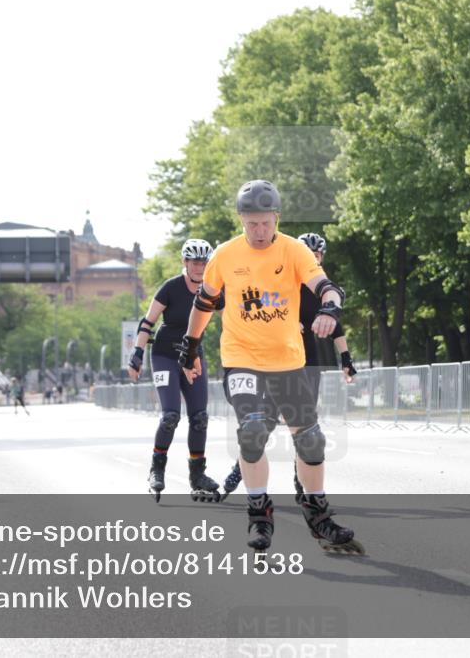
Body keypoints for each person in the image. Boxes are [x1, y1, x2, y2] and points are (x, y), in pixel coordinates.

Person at [179, 179, 363, 554]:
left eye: (265, 223)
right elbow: (205, 302)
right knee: (252, 432)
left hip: (288, 363)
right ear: (241, 220)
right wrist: (191, 347)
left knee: (311, 440)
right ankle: (260, 516)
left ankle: (318, 515)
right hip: (241, 359)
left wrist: (330, 308)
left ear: (276, 218)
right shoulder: (226, 256)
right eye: (251, 224)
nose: (259, 231)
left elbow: (326, 285)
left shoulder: (294, 251)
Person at [221, 231, 359, 501]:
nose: (313, 258)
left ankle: (302, 481)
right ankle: (241, 469)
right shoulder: (284, 280)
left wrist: (346, 359)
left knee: (306, 427)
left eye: (317, 255)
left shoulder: (322, 287)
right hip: (279, 361)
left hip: (311, 362)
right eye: (309, 254)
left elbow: (337, 327)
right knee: (265, 421)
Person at [128, 238, 224, 502]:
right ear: (185, 262)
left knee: (200, 417)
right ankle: (157, 469)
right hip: (165, 355)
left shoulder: (213, 288)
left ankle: (197, 475)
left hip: (193, 356)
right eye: (195, 262)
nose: (200, 267)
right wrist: (136, 354)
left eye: (204, 262)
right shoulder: (171, 287)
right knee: (171, 415)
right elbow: (147, 322)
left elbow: (237, 314)